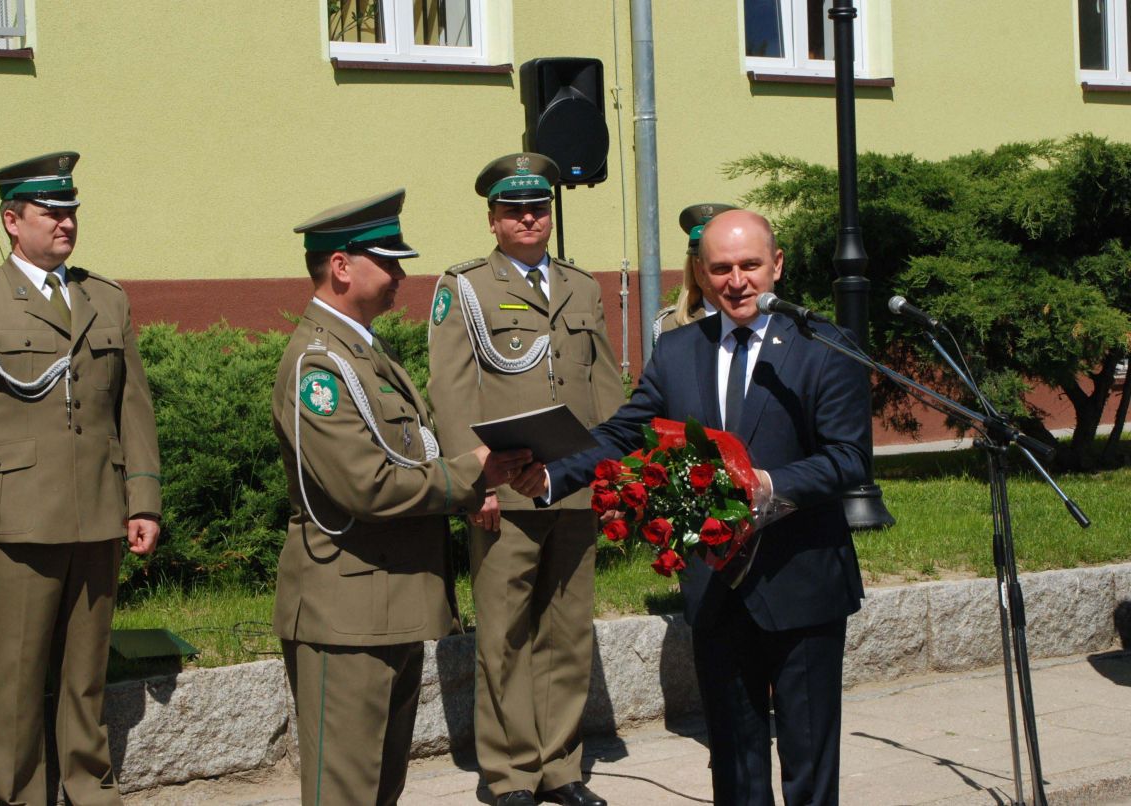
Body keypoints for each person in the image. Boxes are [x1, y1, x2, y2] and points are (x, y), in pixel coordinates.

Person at [514, 209, 870, 805]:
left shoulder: (823, 346)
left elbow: (848, 458)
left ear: (777, 266)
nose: (737, 281)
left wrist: (768, 483)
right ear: (702, 275)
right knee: (734, 761)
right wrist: (552, 473)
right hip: (718, 586)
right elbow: (626, 431)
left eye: (751, 265)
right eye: (722, 268)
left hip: (801, 580)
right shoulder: (679, 350)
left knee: (809, 762)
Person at [271, 189, 530, 806]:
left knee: (381, 787)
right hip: (347, 611)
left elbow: (407, 456)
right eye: (387, 262)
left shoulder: (363, 351)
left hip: (386, 601)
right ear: (341, 267)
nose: (400, 276)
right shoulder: (319, 366)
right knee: (345, 792)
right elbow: (366, 486)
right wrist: (471, 475)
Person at [0, 151, 162, 805]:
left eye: (71, 212)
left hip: (98, 514)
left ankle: (90, 791)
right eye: (50, 212)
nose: (66, 223)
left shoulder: (105, 298)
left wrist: (143, 499)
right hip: (16, 522)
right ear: (12, 220)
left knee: (85, 677)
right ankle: (12, 798)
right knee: (14, 680)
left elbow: (132, 408)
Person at [426, 154, 624, 806]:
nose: (529, 218)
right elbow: (451, 393)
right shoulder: (465, 287)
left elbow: (604, 385)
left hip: (574, 485)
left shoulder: (582, 286)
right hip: (506, 491)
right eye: (514, 210)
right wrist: (474, 484)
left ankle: (561, 767)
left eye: (538, 207)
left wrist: (614, 475)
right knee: (505, 635)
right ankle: (512, 774)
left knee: (568, 631)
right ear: (493, 219)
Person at [652, 202, 736, 343]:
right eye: (698, 259)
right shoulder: (670, 326)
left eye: (718, 262)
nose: (704, 268)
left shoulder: (764, 320)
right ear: (692, 265)